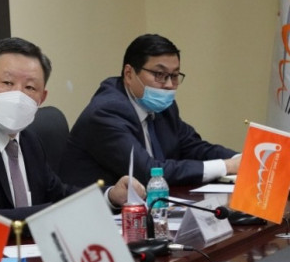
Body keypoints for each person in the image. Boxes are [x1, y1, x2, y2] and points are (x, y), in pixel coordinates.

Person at [0, 37, 144, 258]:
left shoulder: (28, 140)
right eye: (7, 83)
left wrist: (110, 196)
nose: (17, 95)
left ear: (42, 97)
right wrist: (55, 214)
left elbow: (57, 194)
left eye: (30, 88)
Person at [60, 34, 240, 187]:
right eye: (159, 75)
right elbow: (148, 173)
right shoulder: (107, 112)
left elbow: (193, 147)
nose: (169, 85)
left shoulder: (163, 106)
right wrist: (227, 166)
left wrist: (242, 160)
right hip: (100, 212)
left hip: (148, 206)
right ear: (129, 74)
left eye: (174, 76)